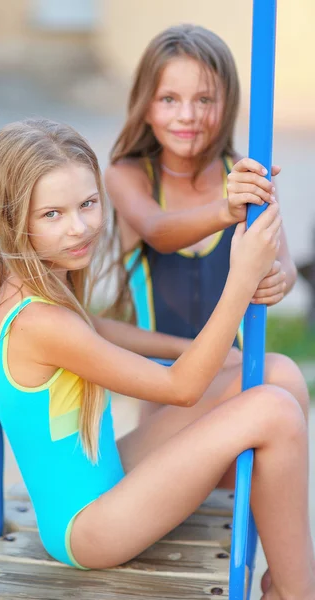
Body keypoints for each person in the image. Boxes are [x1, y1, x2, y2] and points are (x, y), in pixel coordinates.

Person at [0, 118, 313, 599]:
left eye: (88, 204)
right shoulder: (39, 324)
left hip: (106, 474)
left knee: (276, 372)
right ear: (13, 219)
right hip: (90, 528)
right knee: (274, 410)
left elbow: (97, 329)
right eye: (51, 214)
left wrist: (200, 352)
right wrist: (240, 280)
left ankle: (285, 575)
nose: (78, 227)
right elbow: (181, 388)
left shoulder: (35, 278)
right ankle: (299, 590)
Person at [104, 24, 298, 424]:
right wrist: (227, 210)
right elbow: (158, 231)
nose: (187, 116)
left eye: (205, 99)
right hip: (164, 397)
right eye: (169, 99)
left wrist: (279, 278)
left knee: (279, 395)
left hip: (235, 384)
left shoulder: (248, 177)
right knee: (282, 380)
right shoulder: (128, 176)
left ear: (227, 104)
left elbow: (285, 266)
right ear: (146, 104)